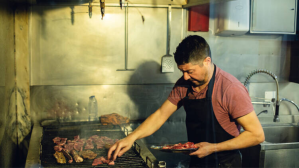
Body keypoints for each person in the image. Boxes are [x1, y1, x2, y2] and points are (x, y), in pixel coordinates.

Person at [107, 35, 265, 167]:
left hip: (225, 163)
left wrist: (213, 148)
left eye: (190, 71)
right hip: (197, 160)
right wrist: (131, 137)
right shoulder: (185, 84)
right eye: (182, 71)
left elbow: (257, 135)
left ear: (207, 61)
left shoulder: (230, 89)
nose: (185, 77)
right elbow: (161, 114)